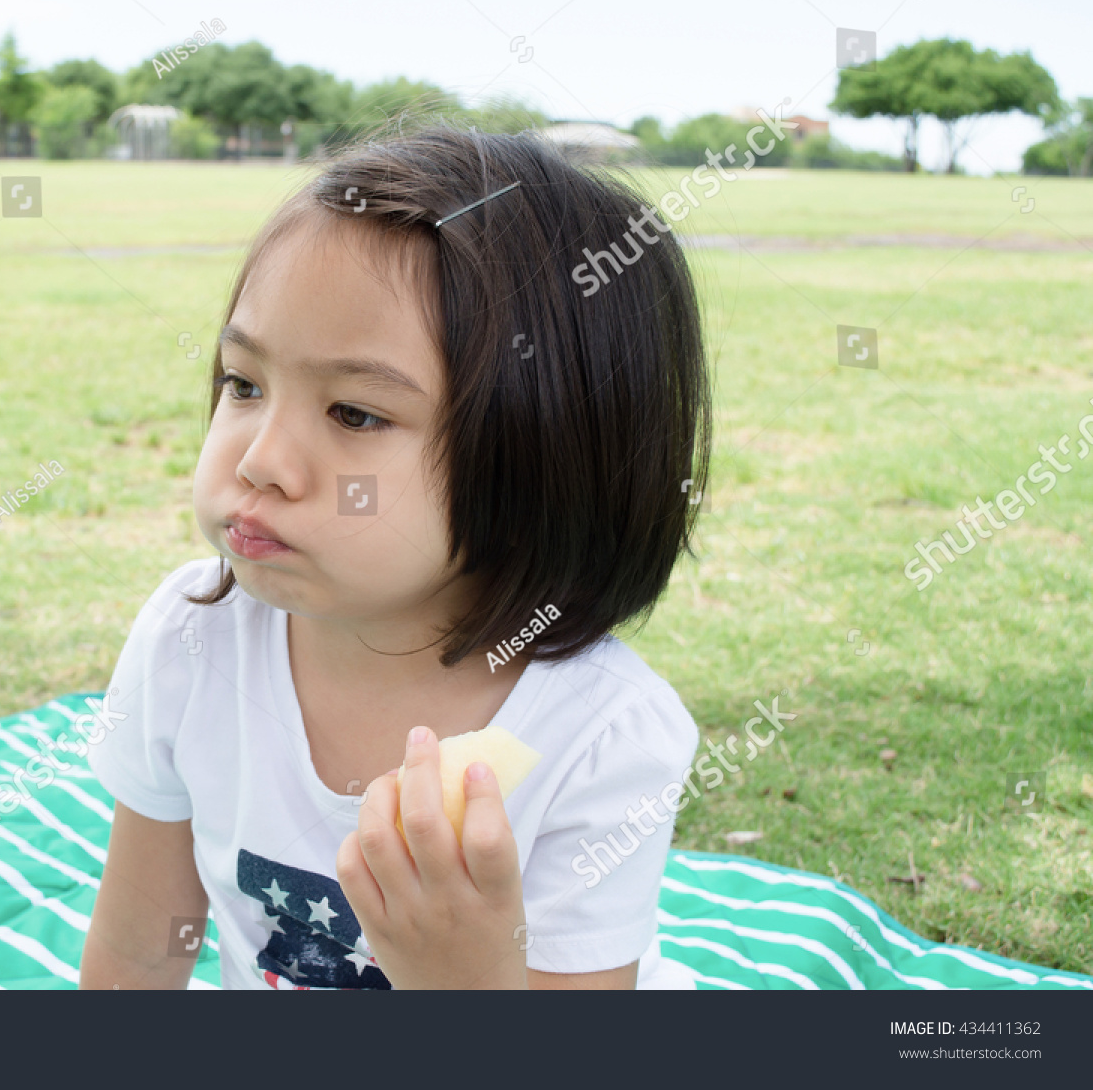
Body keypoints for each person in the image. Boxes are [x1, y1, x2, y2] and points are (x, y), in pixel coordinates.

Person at [79, 124, 710, 989]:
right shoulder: (194, 641)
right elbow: (140, 951)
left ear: (541, 462)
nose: (259, 458)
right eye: (244, 383)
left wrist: (463, 978)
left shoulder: (601, 737)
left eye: (355, 414)